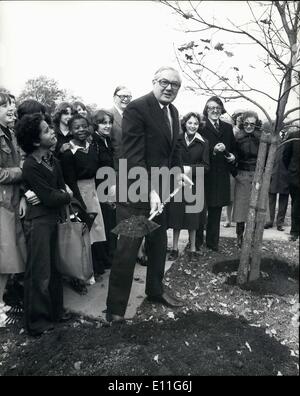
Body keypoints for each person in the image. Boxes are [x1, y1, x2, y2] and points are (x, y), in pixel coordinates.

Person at [106, 66, 186, 322]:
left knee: (158, 245)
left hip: (160, 192)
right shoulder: (138, 108)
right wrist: (150, 189)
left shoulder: (173, 112)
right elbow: (132, 156)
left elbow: (172, 152)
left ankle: (155, 290)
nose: (169, 88)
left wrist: (177, 173)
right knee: (127, 252)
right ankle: (115, 311)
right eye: (164, 82)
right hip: (135, 193)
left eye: (175, 84)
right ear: (154, 81)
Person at [15, 113, 72, 336]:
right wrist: (63, 194)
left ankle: (56, 311)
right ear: (36, 141)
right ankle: (36, 322)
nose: (53, 133)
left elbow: (55, 192)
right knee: (39, 272)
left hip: (51, 219)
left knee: (54, 269)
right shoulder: (30, 165)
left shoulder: (53, 161)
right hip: (38, 222)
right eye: (47, 130)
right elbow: (51, 197)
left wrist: (59, 194)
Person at [60, 114, 107, 280]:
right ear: (70, 131)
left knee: (96, 231)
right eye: (76, 127)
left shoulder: (93, 147)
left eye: (83, 126)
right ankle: (84, 273)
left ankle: (95, 267)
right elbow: (70, 181)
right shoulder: (68, 153)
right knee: (84, 232)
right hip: (79, 194)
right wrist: (80, 204)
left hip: (93, 190)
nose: (81, 130)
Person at [196, 96, 236, 252]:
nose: (214, 110)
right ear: (206, 110)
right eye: (211, 107)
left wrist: (233, 156)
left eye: (217, 108)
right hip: (204, 174)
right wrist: (212, 150)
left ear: (221, 110)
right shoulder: (201, 126)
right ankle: (197, 243)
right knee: (200, 210)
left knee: (216, 210)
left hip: (220, 175)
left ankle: (213, 243)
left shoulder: (227, 127)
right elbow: (195, 150)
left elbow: (234, 148)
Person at [0, 93, 26, 325]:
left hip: (12, 201)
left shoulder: (11, 134)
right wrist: (21, 171)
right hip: (2, 203)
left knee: (7, 257)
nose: (12, 109)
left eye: (13, 104)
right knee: (3, 256)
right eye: (6, 105)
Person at [168, 112, 209, 259]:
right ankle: (174, 248)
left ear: (199, 125)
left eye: (196, 124)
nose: (193, 126)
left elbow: (206, 166)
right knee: (176, 216)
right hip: (178, 182)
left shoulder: (204, 142)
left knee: (193, 217)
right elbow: (171, 161)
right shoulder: (176, 140)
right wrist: (179, 170)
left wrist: (189, 169)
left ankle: (192, 249)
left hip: (194, 183)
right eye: (190, 123)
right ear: (185, 123)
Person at [232, 111, 262, 247]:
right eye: (246, 123)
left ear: (256, 125)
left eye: (252, 124)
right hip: (242, 175)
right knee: (240, 208)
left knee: (256, 207)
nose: (249, 126)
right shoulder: (237, 138)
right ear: (242, 123)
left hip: (257, 176)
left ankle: (254, 237)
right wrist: (235, 174)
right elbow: (233, 157)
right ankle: (239, 237)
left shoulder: (261, 139)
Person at [92, 109, 116, 269]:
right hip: (98, 187)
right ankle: (101, 261)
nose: (107, 126)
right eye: (103, 123)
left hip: (108, 185)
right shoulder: (94, 141)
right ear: (96, 124)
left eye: (109, 122)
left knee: (109, 222)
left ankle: (109, 258)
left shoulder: (107, 140)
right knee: (100, 224)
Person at [264, 130, 289, 231]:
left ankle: (280, 222)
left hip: (285, 174)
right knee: (271, 197)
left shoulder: (290, 138)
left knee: (284, 198)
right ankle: (269, 220)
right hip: (272, 172)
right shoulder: (272, 137)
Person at [223, 110, 244, 228]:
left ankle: (239, 219)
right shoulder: (231, 131)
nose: (240, 121)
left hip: (243, 167)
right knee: (230, 196)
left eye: (242, 119)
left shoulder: (247, 132)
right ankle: (228, 219)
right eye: (238, 119)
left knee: (241, 196)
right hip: (232, 167)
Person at [109, 86, 132, 170]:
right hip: (115, 167)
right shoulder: (107, 115)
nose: (126, 99)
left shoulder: (134, 116)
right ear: (114, 98)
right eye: (122, 96)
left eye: (128, 97)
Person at [282, 128, 300, 241]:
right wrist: (292, 170)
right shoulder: (293, 136)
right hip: (296, 178)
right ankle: (295, 232)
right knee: (296, 204)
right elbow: (285, 157)